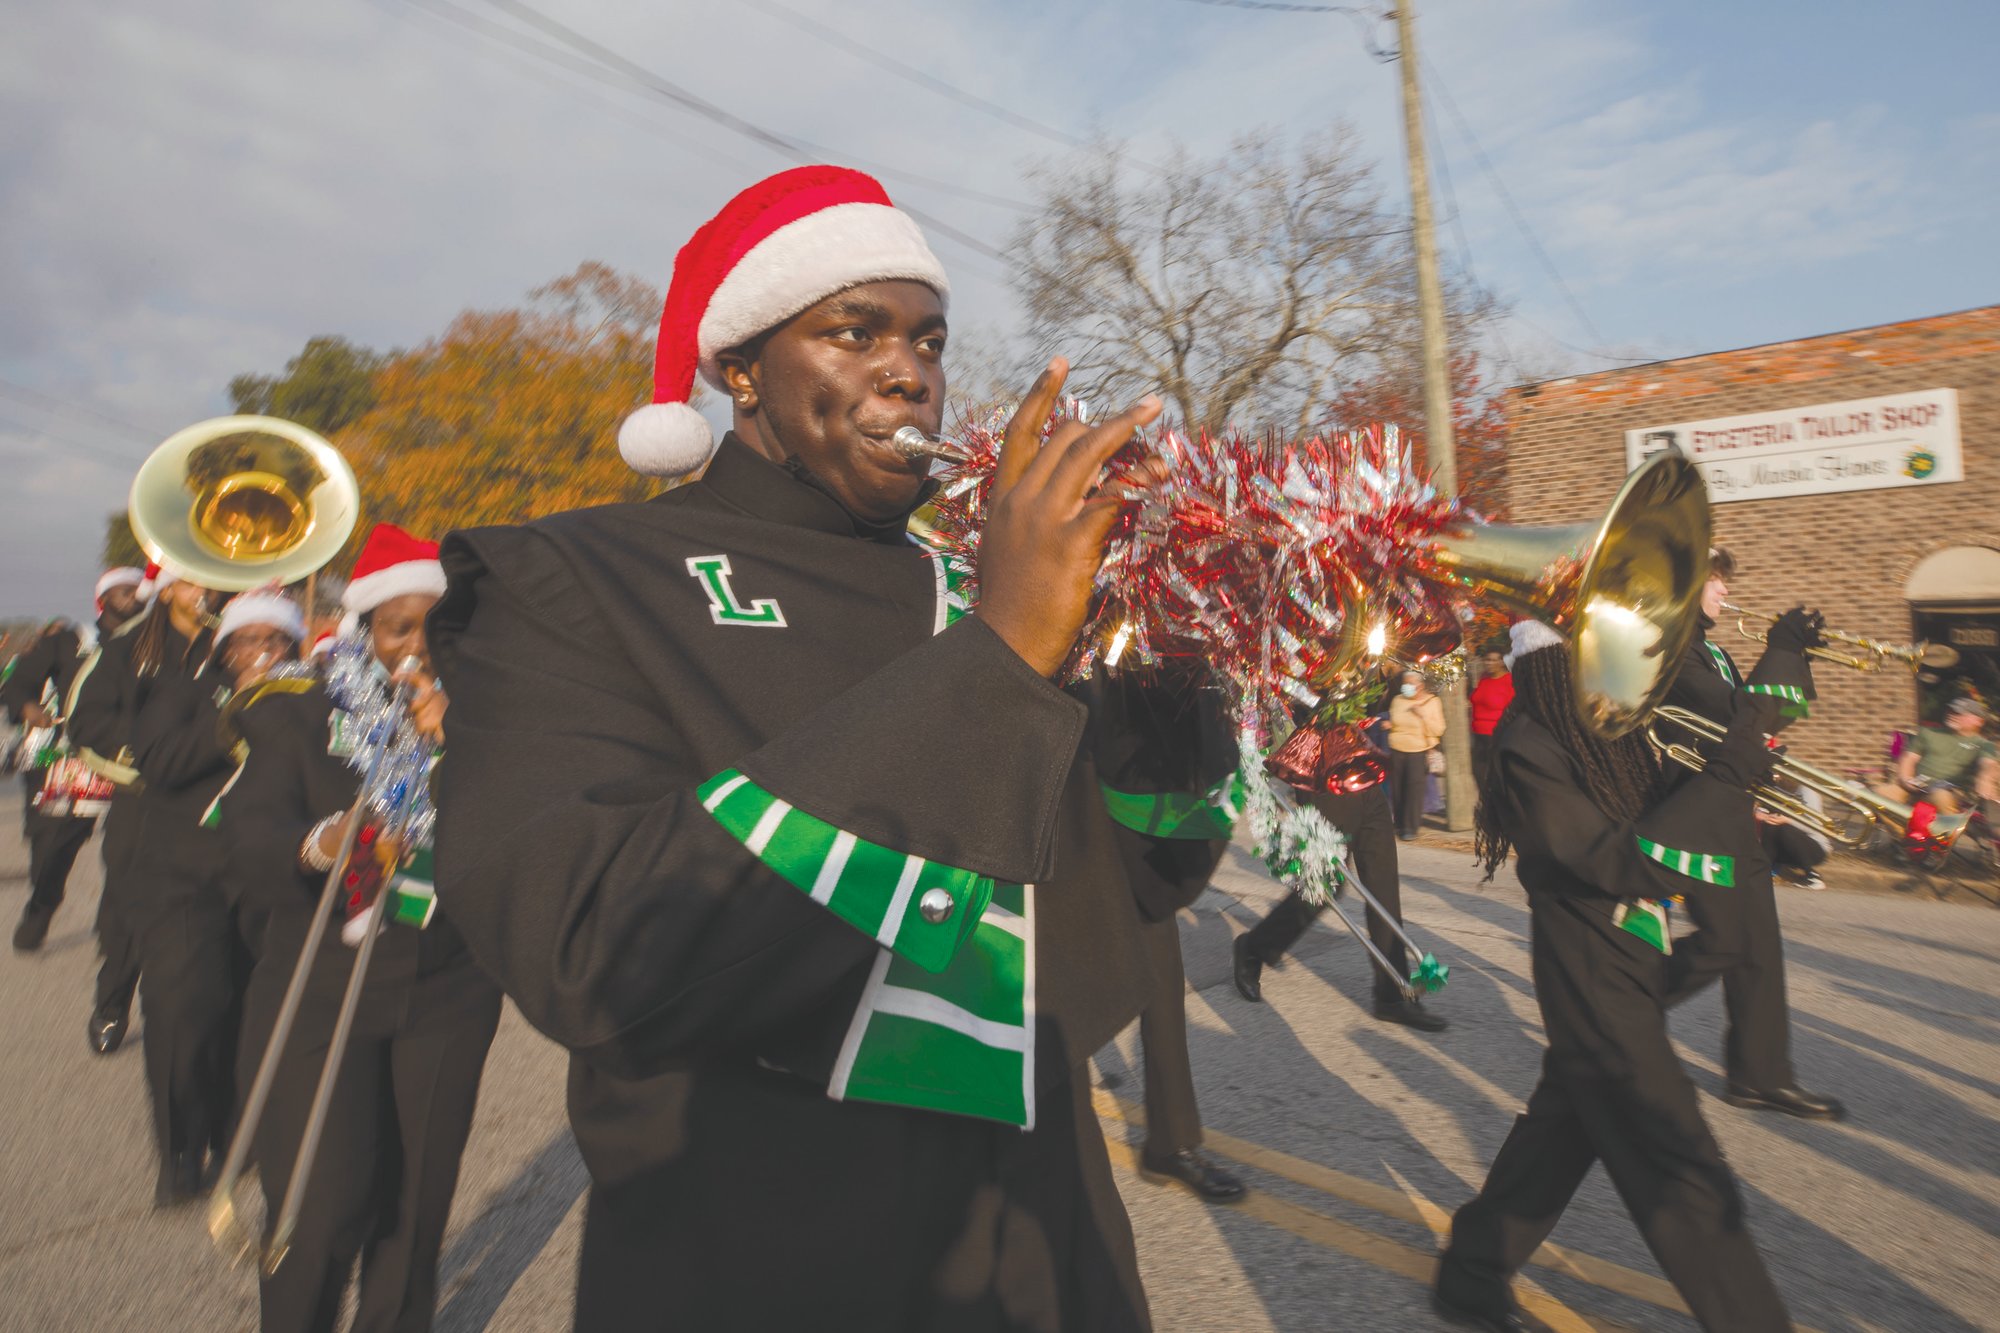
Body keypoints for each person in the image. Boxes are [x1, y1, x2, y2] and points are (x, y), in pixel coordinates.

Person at [428, 166, 1163, 1331]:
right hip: (764, 1256)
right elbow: (590, 945)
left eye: (927, 338)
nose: (906, 370)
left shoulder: (971, 588)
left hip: (1045, 1239)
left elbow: (1133, 889)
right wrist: (997, 660)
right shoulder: (573, 577)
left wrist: (1188, 674)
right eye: (851, 332)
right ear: (740, 372)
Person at [1434, 620, 1793, 1333]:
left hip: (1627, 954)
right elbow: (1614, 859)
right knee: (1685, 1171)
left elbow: (1665, 808)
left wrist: (1736, 754)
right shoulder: (1527, 747)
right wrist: (1727, 774)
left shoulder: (1605, 731)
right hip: (1586, 966)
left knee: (1563, 1129)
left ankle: (1472, 1271)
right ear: (1552, 671)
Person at [223, 526, 501, 1333]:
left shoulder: (494, 714)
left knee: (416, 1209)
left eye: (434, 627)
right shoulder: (296, 713)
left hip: (449, 982)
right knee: (319, 1207)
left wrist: (470, 743)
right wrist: (320, 842)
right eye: (398, 628)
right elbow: (248, 836)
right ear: (368, 631)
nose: (417, 646)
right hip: (321, 984)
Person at [1662, 547, 1841, 1121]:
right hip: (1695, 814)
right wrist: (1781, 652)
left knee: (1759, 947)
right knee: (1727, 941)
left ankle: (1760, 1076)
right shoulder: (1670, 649)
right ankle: (1616, 1008)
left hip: (1733, 807)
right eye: (1713, 581)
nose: (1723, 592)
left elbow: (1757, 728)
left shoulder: (1710, 649)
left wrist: (1765, 789)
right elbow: (1742, 714)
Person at [123, 580, 278, 1204]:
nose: (261, 651)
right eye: (249, 641)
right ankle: (180, 1154)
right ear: (227, 649)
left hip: (258, 877)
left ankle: (236, 1134)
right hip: (181, 877)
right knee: (184, 1012)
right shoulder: (177, 684)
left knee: (245, 1010)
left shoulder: (301, 690)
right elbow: (157, 759)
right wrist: (232, 714)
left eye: (272, 640)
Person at [1085, 666, 1244, 1203]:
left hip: (1147, 823)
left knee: (1160, 981)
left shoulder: (1187, 650)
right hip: (1082, 816)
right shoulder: (1108, 627)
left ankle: (1169, 1143)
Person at [64, 569, 207, 1057]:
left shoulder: (233, 645)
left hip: (212, 806)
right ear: (166, 590)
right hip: (144, 801)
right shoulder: (126, 647)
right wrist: (149, 749)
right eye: (192, 582)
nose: (205, 592)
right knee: (129, 912)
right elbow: (85, 719)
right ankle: (112, 1003)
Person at [1231, 761, 1448, 1031]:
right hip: (1326, 784)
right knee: (1324, 886)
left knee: (1384, 888)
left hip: (1367, 782)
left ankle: (1392, 998)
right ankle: (1254, 948)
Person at [4, 612, 95, 950]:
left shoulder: (103, 649)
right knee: (44, 830)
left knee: (67, 831)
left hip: (89, 757)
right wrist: (28, 709)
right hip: (44, 752)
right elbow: (12, 687)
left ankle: (44, 901)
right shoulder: (33, 656)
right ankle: (43, 897)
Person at [1880, 696, 1999, 816]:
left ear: (1978, 721)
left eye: (1958, 713)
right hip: (1916, 786)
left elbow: (1988, 764)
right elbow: (1909, 758)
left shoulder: (1983, 744)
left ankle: (1945, 832)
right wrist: (1905, 779)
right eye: (1950, 711)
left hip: (1949, 791)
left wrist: (1985, 779)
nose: (1951, 715)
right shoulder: (1928, 732)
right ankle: (1899, 830)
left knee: (1940, 797)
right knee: (1880, 793)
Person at [1386, 669, 1444, 840]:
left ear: (1420, 685)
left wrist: (1423, 715)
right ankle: (1399, 824)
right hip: (1397, 748)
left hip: (1418, 751)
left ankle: (1411, 827)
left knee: (1414, 790)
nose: (1406, 687)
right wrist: (1390, 725)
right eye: (1404, 683)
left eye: (1410, 684)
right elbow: (1395, 721)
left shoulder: (1433, 702)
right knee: (1397, 789)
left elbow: (1438, 729)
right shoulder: (1397, 700)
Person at [1469, 648, 1513, 781]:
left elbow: (1515, 707)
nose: (1489, 663)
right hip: (1478, 735)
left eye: (1494, 660)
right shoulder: (1484, 680)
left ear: (1502, 662)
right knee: (1478, 772)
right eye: (1487, 660)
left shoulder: (1509, 681)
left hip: (1497, 734)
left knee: (1496, 774)